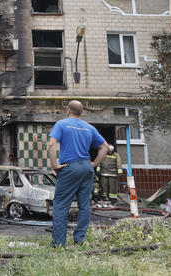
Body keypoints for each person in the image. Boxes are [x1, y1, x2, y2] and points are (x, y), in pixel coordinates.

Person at [48, 100, 109, 247]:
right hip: (86, 167)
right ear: (82, 112)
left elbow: (51, 145)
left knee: (61, 206)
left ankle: (58, 243)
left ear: (68, 110)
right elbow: (105, 147)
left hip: (70, 167)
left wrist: (54, 165)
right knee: (84, 205)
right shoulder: (89, 128)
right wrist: (94, 164)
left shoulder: (62, 124)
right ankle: (79, 240)